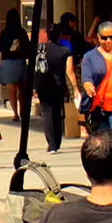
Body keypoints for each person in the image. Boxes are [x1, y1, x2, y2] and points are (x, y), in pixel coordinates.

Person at [29, 19, 73, 152]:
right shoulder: (65, 51)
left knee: (47, 112)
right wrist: (75, 88)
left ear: (47, 34)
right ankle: (57, 141)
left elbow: (33, 67)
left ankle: (51, 143)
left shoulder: (40, 49)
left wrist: (33, 86)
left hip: (42, 84)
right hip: (57, 85)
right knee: (57, 113)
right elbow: (69, 71)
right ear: (59, 34)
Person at [78, 19, 112, 133]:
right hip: (98, 106)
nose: (108, 41)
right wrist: (88, 87)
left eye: (111, 37)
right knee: (101, 140)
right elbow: (86, 78)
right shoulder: (89, 57)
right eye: (104, 38)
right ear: (98, 37)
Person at [0, 8, 30, 123]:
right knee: (21, 88)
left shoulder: (4, 33)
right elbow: (27, 48)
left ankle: (15, 113)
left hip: (8, 62)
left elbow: (1, 49)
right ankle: (23, 111)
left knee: (11, 89)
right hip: (19, 61)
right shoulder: (22, 32)